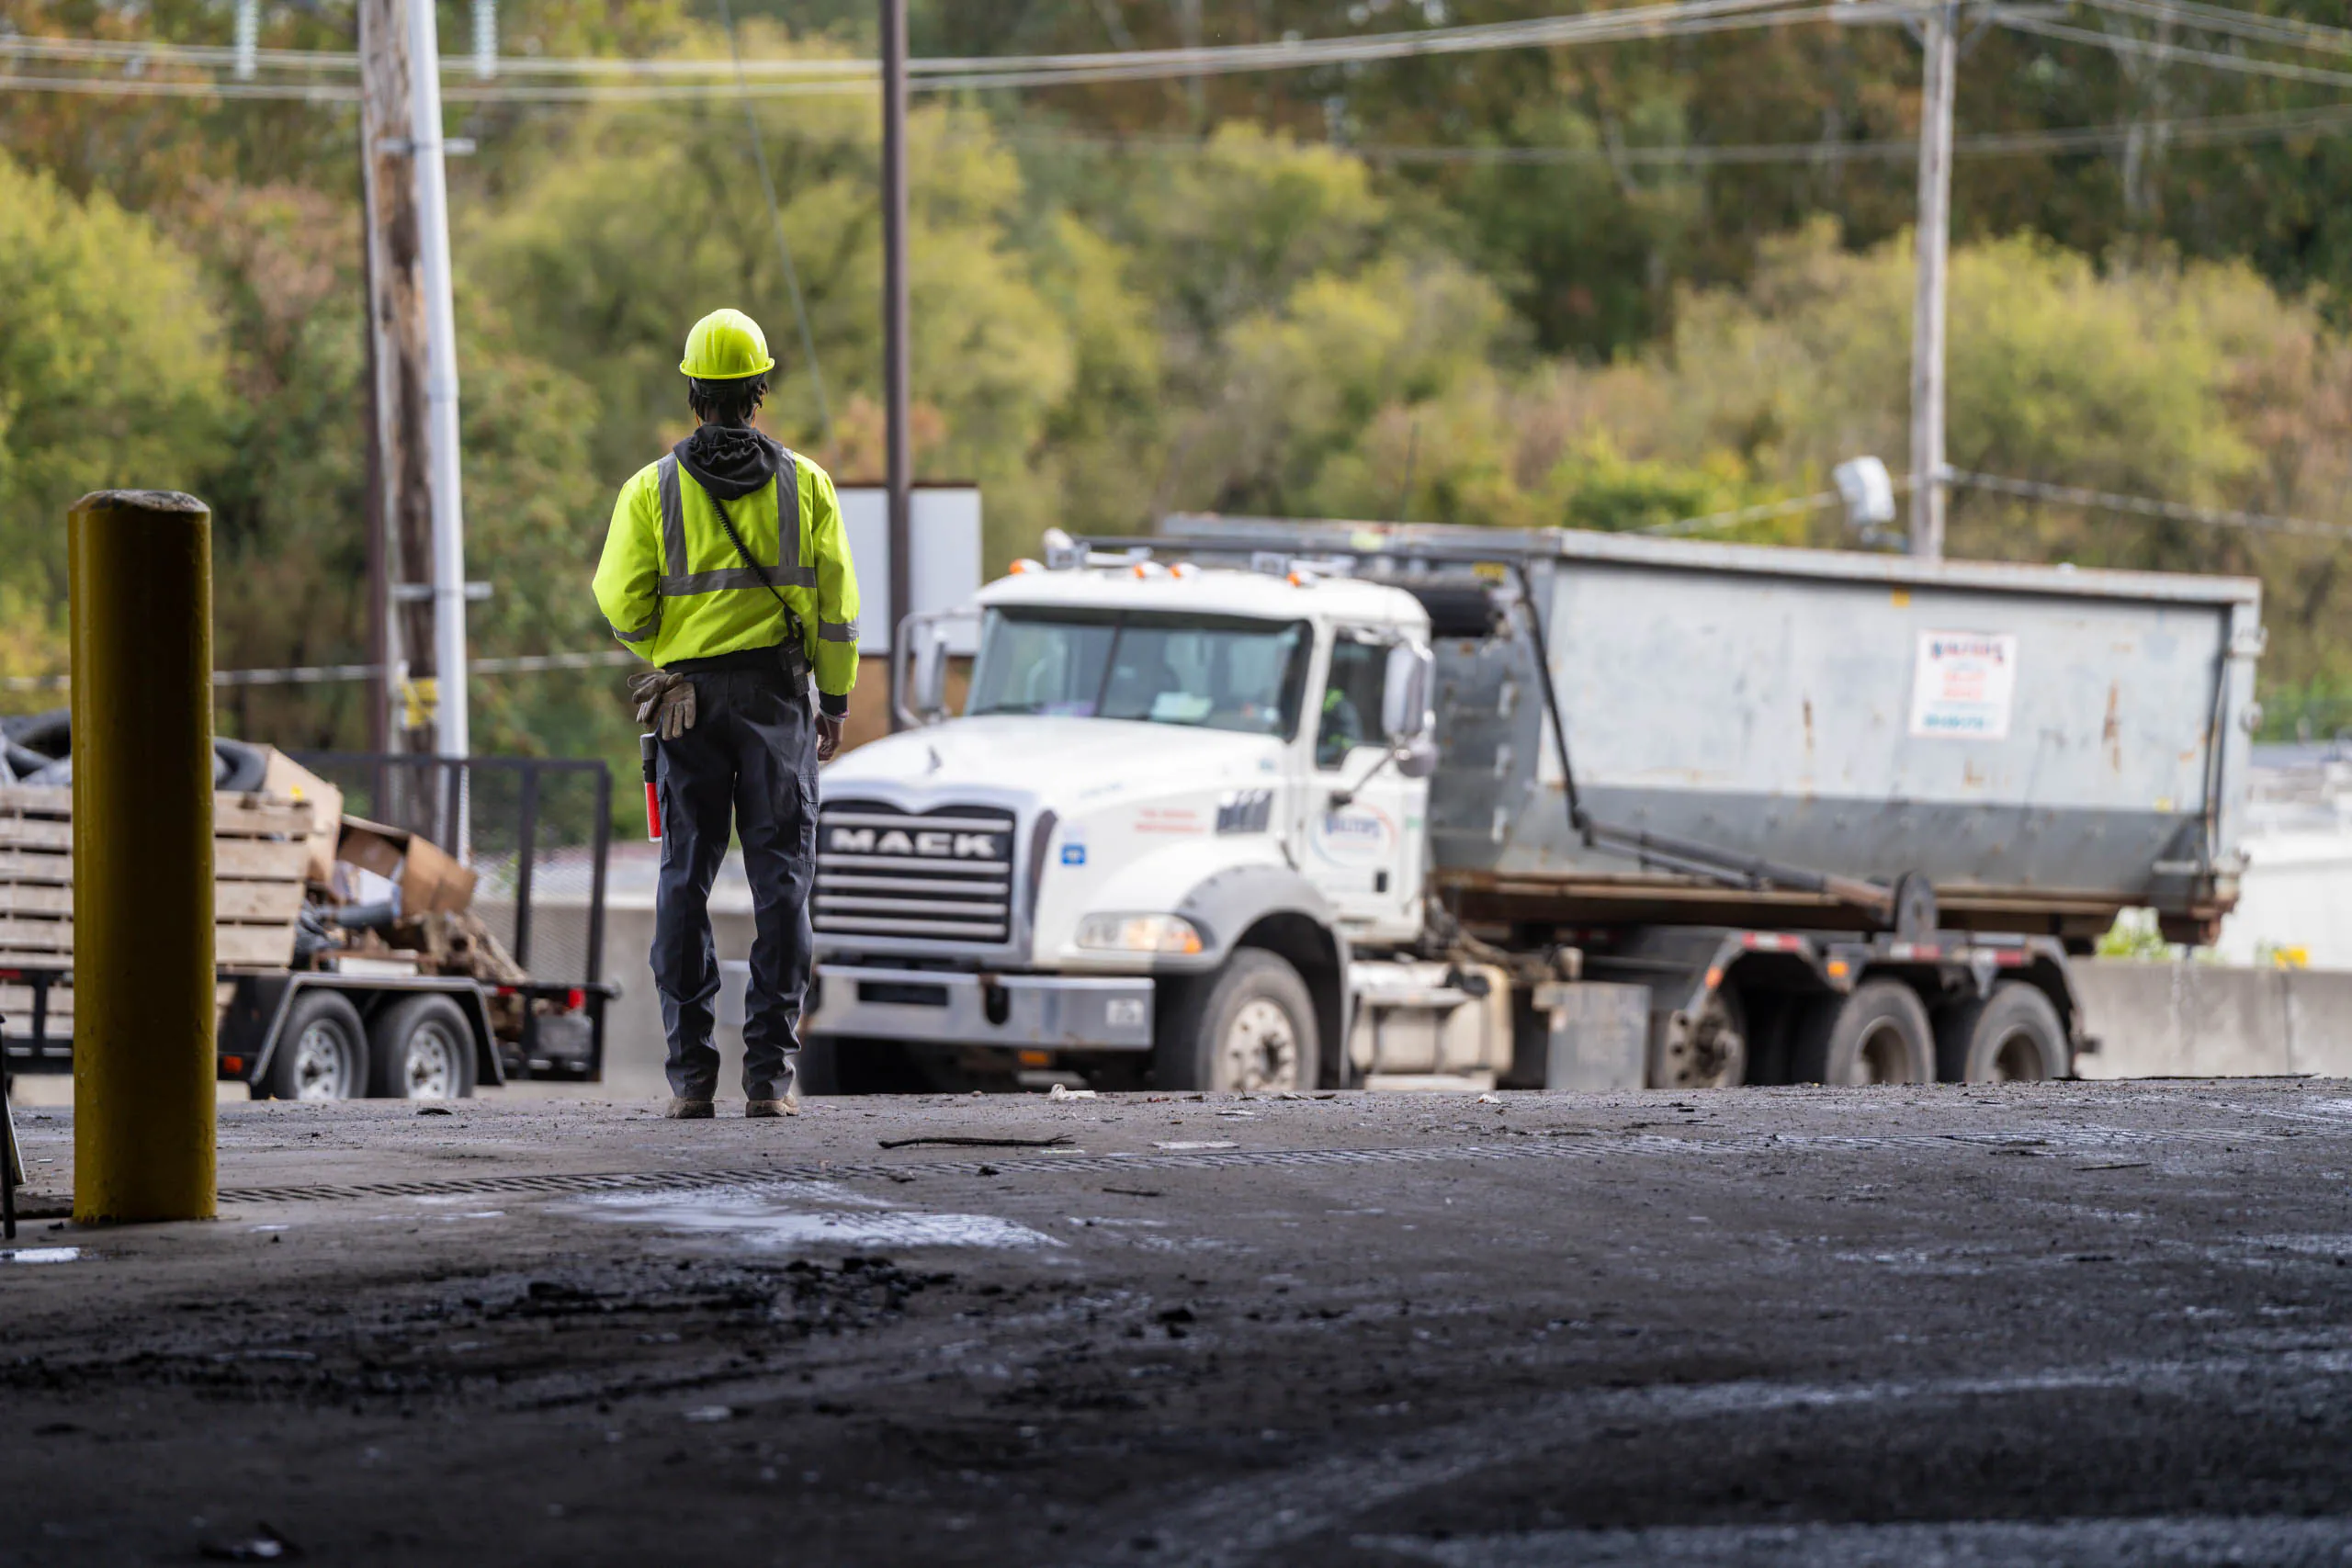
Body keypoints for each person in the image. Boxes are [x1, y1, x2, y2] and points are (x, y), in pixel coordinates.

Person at [593, 308, 859, 1119]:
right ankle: (770, 1079)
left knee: (684, 879)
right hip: (778, 704)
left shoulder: (651, 489)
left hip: (687, 706)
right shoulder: (807, 484)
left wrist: (672, 648)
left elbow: (620, 604)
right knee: (783, 884)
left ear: (692, 394)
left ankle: (690, 1078)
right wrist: (835, 696)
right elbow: (836, 610)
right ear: (760, 393)